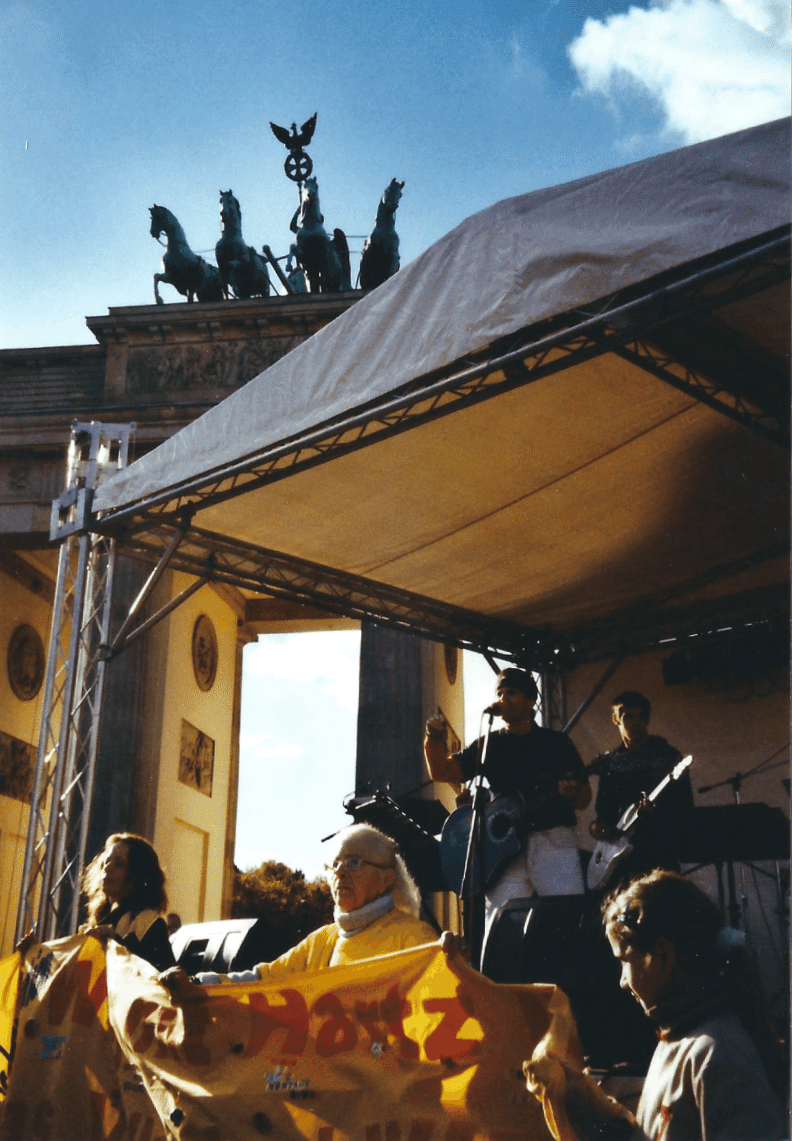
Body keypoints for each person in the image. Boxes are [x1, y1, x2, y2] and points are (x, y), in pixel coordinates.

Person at [602, 870, 786, 1141]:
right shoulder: (676, 1040)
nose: (622, 982)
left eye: (625, 961)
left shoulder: (716, 1054)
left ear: (663, 955)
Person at [174, 824, 437, 986]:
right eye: (335, 864)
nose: (340, 872)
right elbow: (262, 980)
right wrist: (198, 983)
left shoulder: (414, 938)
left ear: (386, 878)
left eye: (354, 862)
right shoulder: (321, 941)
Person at [425, 668, 591, 917]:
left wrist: (571, 794)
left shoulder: (556, 743)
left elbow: (585, 797)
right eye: (500, 693)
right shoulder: (489, 744)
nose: (503, 699)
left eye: (511, 693)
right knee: (503, 925)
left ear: (530, 700)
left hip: (552, 842)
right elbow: (443, 772)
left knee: (567, 918)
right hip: (503, 852)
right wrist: (434, 739)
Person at [588, 691, 694, 886]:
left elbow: (684, 808)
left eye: (642, 717)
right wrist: (598, 828)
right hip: (620, 860)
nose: (637, 723)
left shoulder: (666, 756)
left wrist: (656, 814)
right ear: (616, 719)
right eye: (629, 716)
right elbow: (604, 814)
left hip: (658, 853)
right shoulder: (612, 763)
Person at [81, 832, 176, 972]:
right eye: (106, 861)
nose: (107, 868)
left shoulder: (149, 922)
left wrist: (116, 942)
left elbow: (161, 976)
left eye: (119, 864)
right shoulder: (99, 918)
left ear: (138, 874)